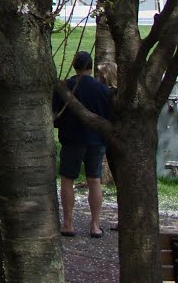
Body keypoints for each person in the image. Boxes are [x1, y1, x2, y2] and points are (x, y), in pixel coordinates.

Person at [55, 49, 113, 238]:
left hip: (72, 139)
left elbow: (56, 114)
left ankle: (68, 223)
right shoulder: (103, 90)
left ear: (74, 66)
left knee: (67, 180)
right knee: (94, 180)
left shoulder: (65, 87)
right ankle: (95, 225)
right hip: (96, 140)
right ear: (90, 66)